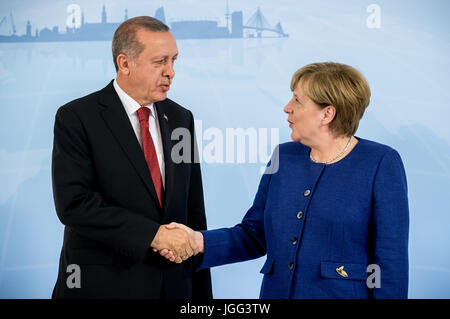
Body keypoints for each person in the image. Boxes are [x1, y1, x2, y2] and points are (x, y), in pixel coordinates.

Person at [157, 62, 409, 298]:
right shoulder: (283, 157)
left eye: (297, 100)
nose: (287, 107)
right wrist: (196, 241)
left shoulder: (380, 162)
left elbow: (390, 260)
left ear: (327, 114)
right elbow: (254, 234)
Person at [51, 16, 211, 298]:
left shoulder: (180, 118)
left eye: (174, 60)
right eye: (160, 61)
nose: (171, 72)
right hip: (103, 286)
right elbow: (74, 205)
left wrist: (200, 295)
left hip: (172, 287)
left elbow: (192, 209)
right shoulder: (77, 117)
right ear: (124, 63)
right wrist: (154, 234)